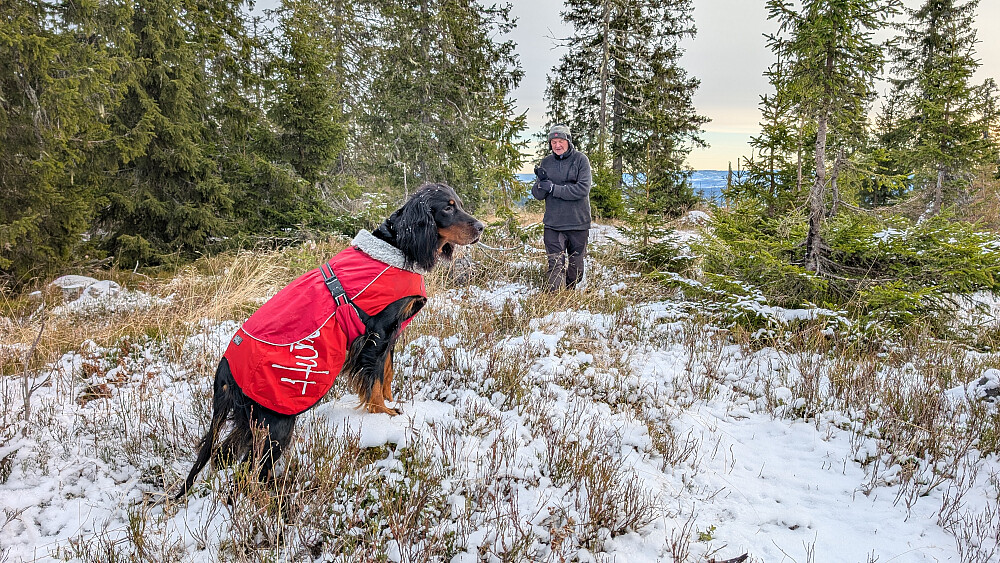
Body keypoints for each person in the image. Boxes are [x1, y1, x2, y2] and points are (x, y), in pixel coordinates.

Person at [532, 124, 593, 292]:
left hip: (578, 223)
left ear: (568, 141)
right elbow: (538, 194)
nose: (557, 145)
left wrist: (553, 189)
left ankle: (569, 290)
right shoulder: (546, 162)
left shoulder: (581, 160)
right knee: (555, 264)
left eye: (560, 141)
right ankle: (555, 298)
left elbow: (582, 189)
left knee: (576, 268)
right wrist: (541, 184)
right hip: (553, 224)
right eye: (553, 142)